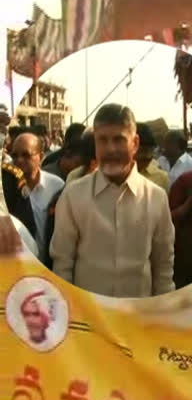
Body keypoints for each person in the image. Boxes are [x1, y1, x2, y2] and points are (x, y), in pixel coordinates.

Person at [50, 104, 175, 298]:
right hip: (89, 319)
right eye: (103, 140)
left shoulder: (156, 198)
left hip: (140, 318)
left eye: (119, 140)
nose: (110, 149)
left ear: (135, 143)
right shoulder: (73, 195)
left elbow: (164, 269)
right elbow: (62, 265)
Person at [11, 132, 64, 262]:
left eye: (26, 155)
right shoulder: (7, 189)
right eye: (15, 155)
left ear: (40, 157)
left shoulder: (57, 186)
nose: (19, 160)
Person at [135, 122, 170, 191]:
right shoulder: (115, 175)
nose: (148, 156)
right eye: (142, 151)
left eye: (151, 150)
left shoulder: (161, 177)